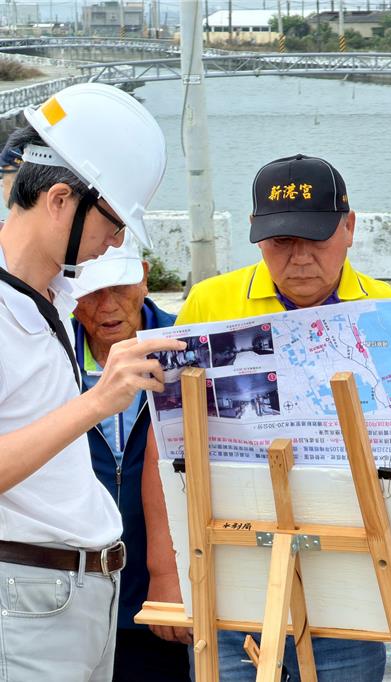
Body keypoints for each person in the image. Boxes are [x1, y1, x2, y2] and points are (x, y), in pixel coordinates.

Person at [142, 153, 391, 681]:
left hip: (349, 590)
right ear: (255, 236)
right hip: (231, 584)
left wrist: (390, 541)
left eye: (315, 238)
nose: (299, 259)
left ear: (349, 227)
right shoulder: (210, 304)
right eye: (280, 242)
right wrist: (166, 572)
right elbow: (164, 445)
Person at [0, 83, 183, 679]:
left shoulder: (46, 296)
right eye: (114, 221)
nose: (119, 240)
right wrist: (101, 400)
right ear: (59, 200)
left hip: (72, 594)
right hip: (31, 596)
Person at [71, 239, 190, 681]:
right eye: (90, 291)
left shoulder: (189, 346)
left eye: (119, 287)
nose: (107, 306)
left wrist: (174, 574)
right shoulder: (51, 354)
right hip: (72, 596)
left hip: (170, 593)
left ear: (143, 275)